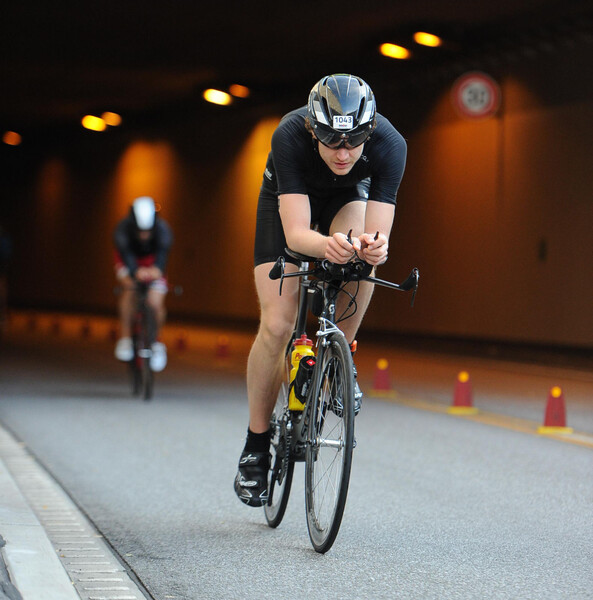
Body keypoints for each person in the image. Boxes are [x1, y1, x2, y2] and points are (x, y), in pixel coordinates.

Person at [234, 74, 407, 507]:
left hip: (347, 199)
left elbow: (378, 236)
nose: (344, 152)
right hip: (287, 203)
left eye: (354, 142)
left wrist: (372, 247)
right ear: (314, 130)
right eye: (332, 142)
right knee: (276, 325)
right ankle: (256, 446)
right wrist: (326, 246)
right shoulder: (290, 134)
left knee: (360, 254)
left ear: (369, 132)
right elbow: (295, 234)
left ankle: (340, 352)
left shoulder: (390, 144)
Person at [113, 196, 173, 372]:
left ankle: (156, 343)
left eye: (148, 231)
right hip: (128, 260)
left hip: (152, 262)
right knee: (129, 289)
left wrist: (156, 270)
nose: (144, 235)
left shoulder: (163, 231)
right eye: (140, 231)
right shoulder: (122, 230)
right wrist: (134, 272)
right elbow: (125, 255)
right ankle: (125, 338)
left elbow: (162, 257)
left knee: (156, 302)